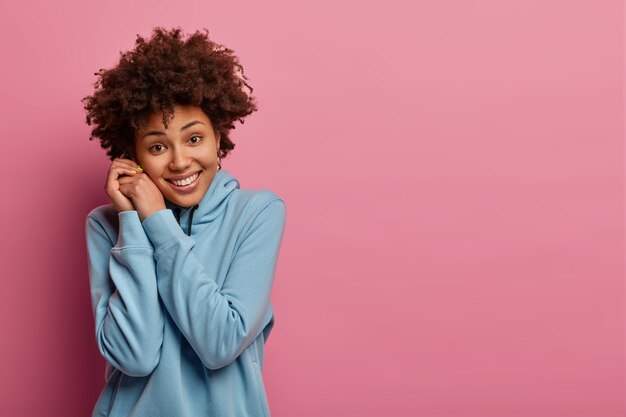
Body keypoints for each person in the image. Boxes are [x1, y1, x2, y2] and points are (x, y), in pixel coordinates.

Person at [82, 27, 286, 417]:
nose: (178, 161)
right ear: (133, 155)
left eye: (194, 139)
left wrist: (158, 220)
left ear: (218, 138)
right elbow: (135, 355)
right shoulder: (107, 224)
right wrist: (133, 218)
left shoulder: (258, 212)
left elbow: (220, 343)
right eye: (158, 146)